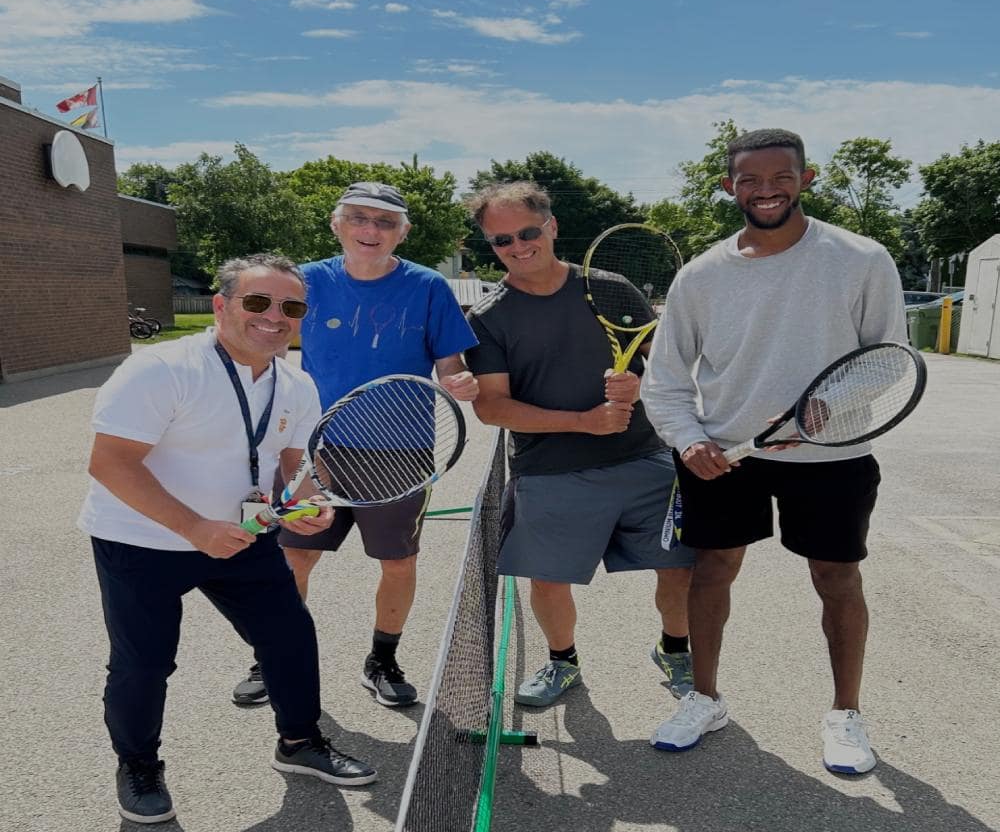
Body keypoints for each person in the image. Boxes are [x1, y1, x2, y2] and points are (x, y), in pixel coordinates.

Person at [641, 128, 907, 774]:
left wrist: (825, 407)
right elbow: (666, 382)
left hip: (833, 455)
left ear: (806, 179)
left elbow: (889, 360)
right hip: (728, 454)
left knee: (836, 578)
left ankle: (846, 715)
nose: (766, 191)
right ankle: (704, 698)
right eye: (750, 180)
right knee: (710, 572)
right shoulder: (700, 276)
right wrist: (690, 439)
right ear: (730, 187)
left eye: (780, 177)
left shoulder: (862, 259)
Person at [78, 254, 377, 825]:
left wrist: (306, 501)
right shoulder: (162, 369)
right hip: (142, 542)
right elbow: (111, 464)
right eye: (257, 302)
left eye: (291, 307)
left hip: (243, 538)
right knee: (143, 664)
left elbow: (295, 463)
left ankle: (299, 743)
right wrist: (194, 528)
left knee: (289, 636)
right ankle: (138, 764)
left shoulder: (295, 381)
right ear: (221, 305)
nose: (274, 317)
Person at [232, 182, 478, 710]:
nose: (371, 231)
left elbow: (452, 368)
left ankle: (382, 660)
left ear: (403, 232)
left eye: (385, 222)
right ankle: (273, 656)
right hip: (310, 449)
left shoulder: (430, 286)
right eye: (360, 218)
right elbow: (256, 340)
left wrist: (460, 384)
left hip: (401, 453)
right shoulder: (305, 282)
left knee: (397, 563)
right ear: (336, 223)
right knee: (293, 556)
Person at [462, 181, 695, 709]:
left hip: (645, 459)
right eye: (501, 241)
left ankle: (675, 651)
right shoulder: (487, 317)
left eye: (527, 232)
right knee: (548, 582)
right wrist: (583, 421)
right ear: (490, 246)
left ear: (552, 227)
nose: (518, 247)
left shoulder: (611, 287)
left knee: (680, 568)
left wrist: (642, 384)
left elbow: (666, 363)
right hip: (550, 471)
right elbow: (492, 407)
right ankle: (562, 662)